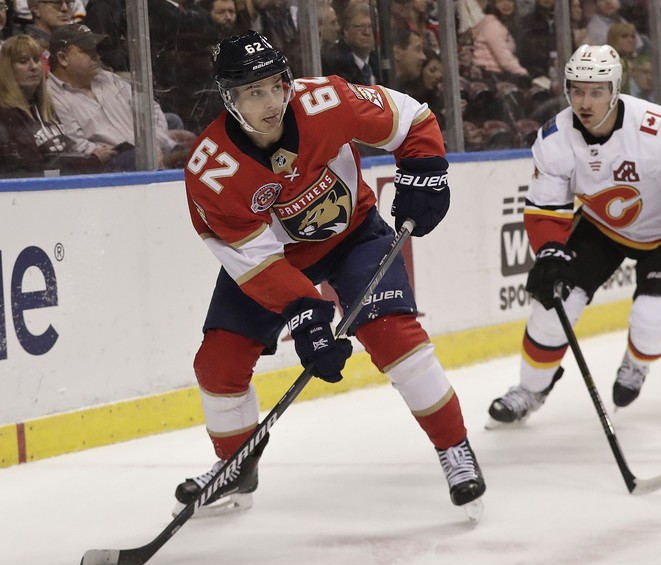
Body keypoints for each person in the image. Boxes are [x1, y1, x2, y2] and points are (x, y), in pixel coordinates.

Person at [176, 30, 486, 517]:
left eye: (276, 84)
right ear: (229, 100)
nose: (272, 101)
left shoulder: (326, 101)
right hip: (275, 259)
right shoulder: (212, 170)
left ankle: (454, 448)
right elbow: (250, 258)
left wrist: (425, 166)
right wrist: (306, 312)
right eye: (253, 92)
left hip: (353, 236)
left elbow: (410, 117)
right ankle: (236, 467)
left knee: (395, 337)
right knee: (217, 364)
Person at [488, 44, 661, 424]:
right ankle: (532, 389)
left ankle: (636, 361)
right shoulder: (554, 139)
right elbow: (545, 211)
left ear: (615, 90)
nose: (585, 102)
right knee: (553, 308)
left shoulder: (658, 129)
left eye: (596, 91)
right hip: (602, 229)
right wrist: (550, 252)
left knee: (654, 322)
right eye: (577, 90)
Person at [46, 23, 187, 170]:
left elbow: (151, 109)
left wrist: (154, 145)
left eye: (95, 49)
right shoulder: (52, 95)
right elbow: (78, 146)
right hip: (111, 165)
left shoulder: (108, 78)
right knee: (136, 157)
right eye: (87, 51)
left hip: (149, 149)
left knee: (188, 146)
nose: (96, 55)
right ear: (63, 58)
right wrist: (146, 154)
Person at [0, 34, 97, 176]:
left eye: (36, 59)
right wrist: (94, 162)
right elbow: (35, 172)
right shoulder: (6, 115)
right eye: (23, 61)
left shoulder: (44, 106)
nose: (33, 67)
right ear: (8, 69)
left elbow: (67, 154)